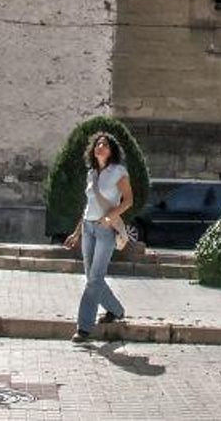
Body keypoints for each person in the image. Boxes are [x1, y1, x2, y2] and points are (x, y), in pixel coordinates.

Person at [63, 131, 132, 342]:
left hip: (105, 230)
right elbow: (89, 205)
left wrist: (110, 217)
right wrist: (76, 233)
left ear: (111, 151)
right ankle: (116, 310)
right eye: (97, 145)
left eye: (104, 145)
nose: (100, 147)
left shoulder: (118, 171)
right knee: (93, 278)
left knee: (94, 279)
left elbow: (128, 201)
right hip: (88, 228)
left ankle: (84, 328)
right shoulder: (91, 173)